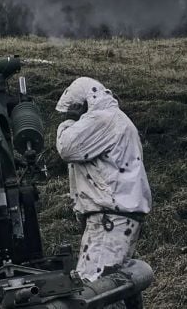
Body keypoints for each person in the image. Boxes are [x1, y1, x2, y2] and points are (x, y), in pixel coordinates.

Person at [55, 76, 152, 284]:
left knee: (93, 286)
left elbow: (66, 147)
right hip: (120, 216)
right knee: (114, 284)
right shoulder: (118, 118)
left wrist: (67, 122)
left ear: (84, 103)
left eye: (74, 109)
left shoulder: (101, 119)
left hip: (109, 219)